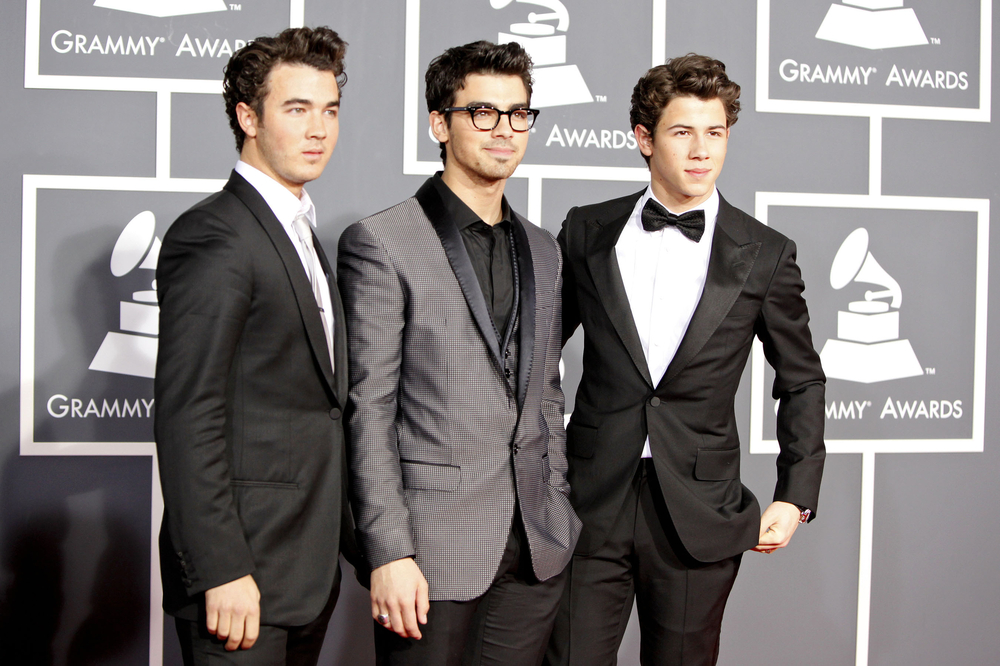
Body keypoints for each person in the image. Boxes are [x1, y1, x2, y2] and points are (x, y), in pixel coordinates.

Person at [547, 54, 826, 666]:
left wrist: (795, 494)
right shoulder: (587, 230)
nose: (702, 151)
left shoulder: (765, 252)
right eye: (682, 132)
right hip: (590, 500)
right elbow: (537, 357)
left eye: (715, 132)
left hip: (700, 511)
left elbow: (802, 379)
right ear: (644, 138)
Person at [338, 40, 581, 666]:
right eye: (482, 112)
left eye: (518, 113)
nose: (504, 130)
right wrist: (389, 552)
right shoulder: (382, 242)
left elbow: (546, 394)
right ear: (439, 124)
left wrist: (556, 504)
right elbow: (369, 409)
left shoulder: (545, 249)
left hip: (534, 550)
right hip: (430, 552)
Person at [154, 26, 355, 665]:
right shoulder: (215, 234)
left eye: (330, 111)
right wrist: (219, 568)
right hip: (241, 578)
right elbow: (189, 413)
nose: (319, 130)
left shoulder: (300, 233)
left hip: (306, 572)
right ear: (248, 117)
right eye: (297, 109)